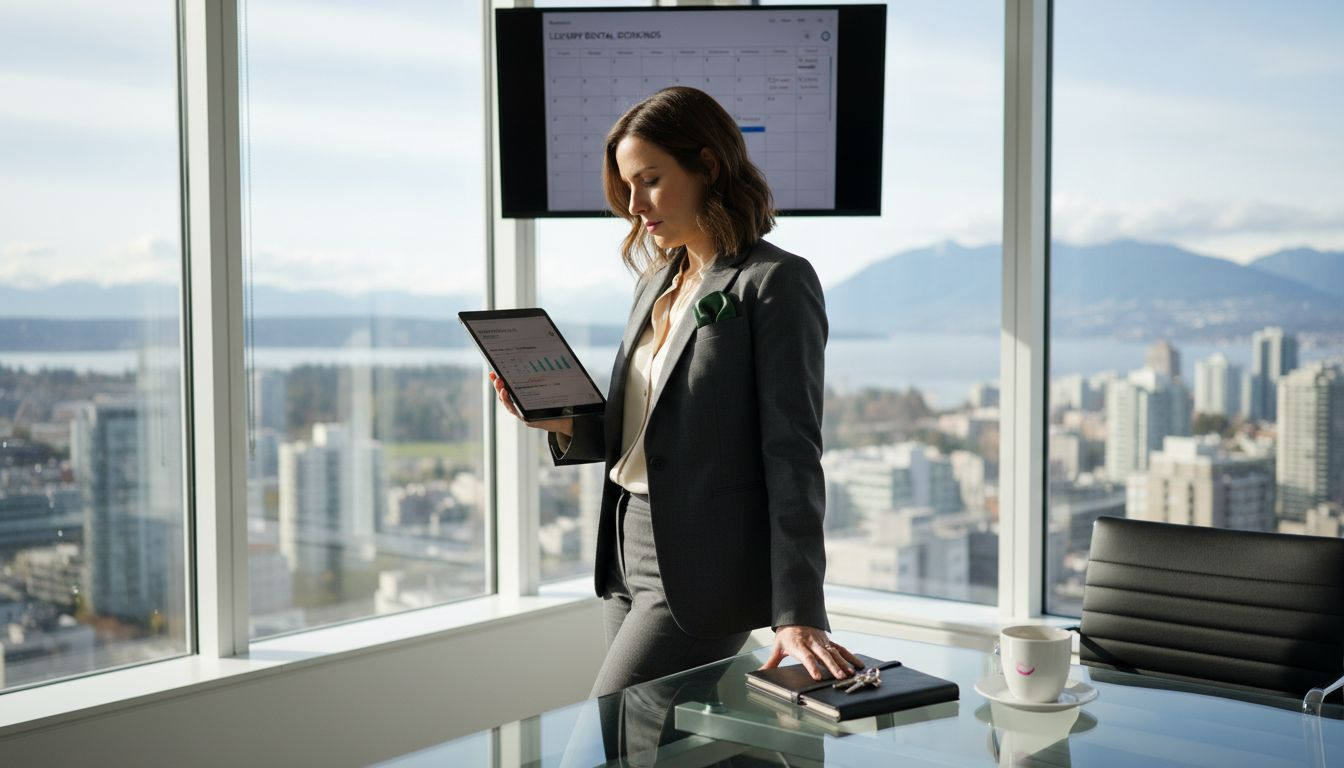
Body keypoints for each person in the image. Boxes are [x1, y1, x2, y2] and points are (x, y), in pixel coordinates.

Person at [490, 86, 860, 697]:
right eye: (626, 187)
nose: (634, 205)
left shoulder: (775, 281)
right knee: (648, 747)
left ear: (708, 165)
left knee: (610, 725)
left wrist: (798, 609)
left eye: (650, 180)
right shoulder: (657, 279)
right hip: (625, 542)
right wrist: (561, 421)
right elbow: (651, 424)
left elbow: (792, 451)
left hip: (704, 564)